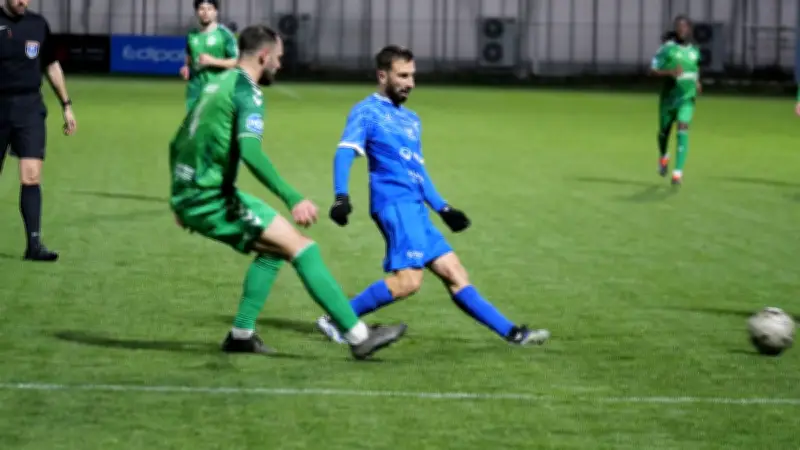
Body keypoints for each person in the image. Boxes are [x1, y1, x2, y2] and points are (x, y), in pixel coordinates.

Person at [168, 25, 407, 360]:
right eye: (278, 58)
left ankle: (241, 335)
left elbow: (178, 140)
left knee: (275, 249)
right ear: (264, 56)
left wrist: (179, 195)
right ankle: (359, 335)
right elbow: (251, 152)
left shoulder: (216, 83)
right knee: (303, 249)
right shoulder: (247, 92)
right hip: (212, 198)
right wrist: (293, 197)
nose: (280, 65)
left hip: (198, 192)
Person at [316, 45, 550, 347]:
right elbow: (345, 152)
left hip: (416, 207)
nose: (410, 83)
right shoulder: (367, 111)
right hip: (395, 205)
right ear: (382, 76)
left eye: (412, 76)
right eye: (402, 76)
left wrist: (443, 208)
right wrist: (341, 196)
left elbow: (418, 171)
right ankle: (336, 319)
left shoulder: (412, 120)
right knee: (408, 282)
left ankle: (514, 334)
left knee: (454, 272)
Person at [0, 0, 77, 261]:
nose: (24, 2)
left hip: (30, 108)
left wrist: (66, 105)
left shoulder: (38, 25)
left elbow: (51, 65)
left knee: (31, 176)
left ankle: (34, 245)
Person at [650, 15, 701, 185]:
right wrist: (669, 72)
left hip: (687, 98)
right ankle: (664, 156)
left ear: (689, 29)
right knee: (664, 132)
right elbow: (653, 70)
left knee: (682, 127)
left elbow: (695, 68)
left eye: (684, 27)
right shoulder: (667, 49)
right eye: (679, 27)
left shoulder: (694, 51)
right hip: (668, 99)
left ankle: (678, 172)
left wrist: (697, 82)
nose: (682, 30)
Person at [179, 0, 238, 111]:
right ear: (196, 12)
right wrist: (186, 67)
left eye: (209, 9)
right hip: (195, 90)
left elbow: (236, 62)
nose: (205, 12)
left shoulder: (225, 34)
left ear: (216, 12)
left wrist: (212, 61)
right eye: (202, 9)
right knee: (194, 122)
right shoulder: (192, 34)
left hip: (219, 89)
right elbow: (189, 56)